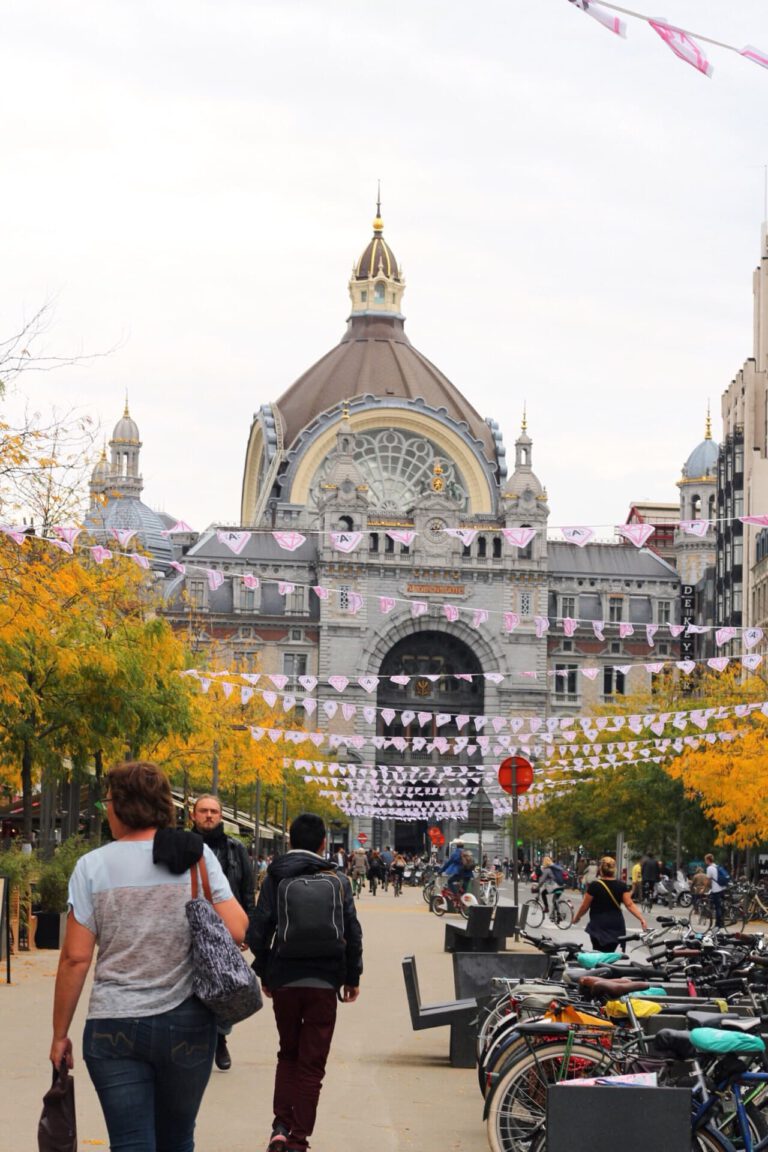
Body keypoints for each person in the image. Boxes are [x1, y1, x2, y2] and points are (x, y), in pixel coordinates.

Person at [50, 761, 248, 1152]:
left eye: (108, 800)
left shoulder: (91, 866)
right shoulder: (196, 857)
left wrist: (60, 1035)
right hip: (187, 1022)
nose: (106, 808)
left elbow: (75, 958)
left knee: (130, 1143)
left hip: (113, 1024)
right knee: (177, 1139)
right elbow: (238, 928)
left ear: (121, 805)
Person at [248, 812, 363, 1152]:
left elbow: (257, 931)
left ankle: (280, 1127)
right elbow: (353, 932)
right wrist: (351, 977)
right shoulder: (338, 880)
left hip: (285, 979)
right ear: (324, 843)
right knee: (312, 1064)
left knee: (288, 1054)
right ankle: (298, 1139)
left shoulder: (276, 878)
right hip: (324, 982)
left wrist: (267, 971)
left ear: (289, 840)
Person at [191, 793, 255, 1072]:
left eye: (213, 811)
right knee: (192, 985)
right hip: (190, 926)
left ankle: (220, 1037)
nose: (208, 815)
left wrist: (247, 930)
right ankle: (197, 1040)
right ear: (193, 815)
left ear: (221, 816)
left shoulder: (235, 849)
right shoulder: (182, 847)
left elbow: (247, 891)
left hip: (225, 927)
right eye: (203, 811)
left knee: (224, 984)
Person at [572, 855, 647, 950]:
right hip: (615, 925)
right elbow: (630, 904)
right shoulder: (621, 886)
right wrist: (641, 919)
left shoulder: (595, 886)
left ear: (600, 869)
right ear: (614, 870)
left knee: (598, 954)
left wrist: (577, 917)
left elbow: (585, 906)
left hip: (598, 925)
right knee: (609, 955)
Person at [705, 853, 724, 927]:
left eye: (705, 860)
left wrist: (703, 889)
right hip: (722, 888)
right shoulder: (716, 866)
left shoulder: (709, 868)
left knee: (717, 907)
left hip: (716, 890)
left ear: (708, 860)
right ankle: (721, 920)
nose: (705, 862)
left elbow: (707, 880)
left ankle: (718, 924)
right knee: (720, 906)